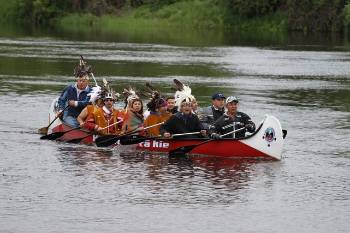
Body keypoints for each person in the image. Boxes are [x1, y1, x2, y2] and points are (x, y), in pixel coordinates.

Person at [57, 59, 92, 127]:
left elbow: (87, 102)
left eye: (84, 81)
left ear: (88, 82)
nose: (81, 83)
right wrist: (61, 110)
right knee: (73, 125)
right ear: (77, 80)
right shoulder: (69, 88)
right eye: (80, 80)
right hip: (70, 115)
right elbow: (61, 100)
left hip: (84, 117)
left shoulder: (91, 92)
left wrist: (75, 103)